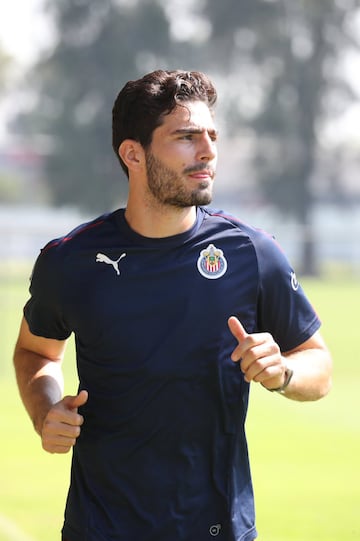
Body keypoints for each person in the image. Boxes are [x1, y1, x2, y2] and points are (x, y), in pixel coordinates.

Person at [13, 69, 332, 541]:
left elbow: (318, 366)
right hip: (99, 529)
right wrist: (44, 410)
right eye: (186, 136)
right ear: (133, 153)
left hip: (219, 529)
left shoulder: (251, 253)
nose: (207, 151)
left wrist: (283, 370)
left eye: (211, 136)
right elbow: (36, 352)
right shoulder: (72, 260)